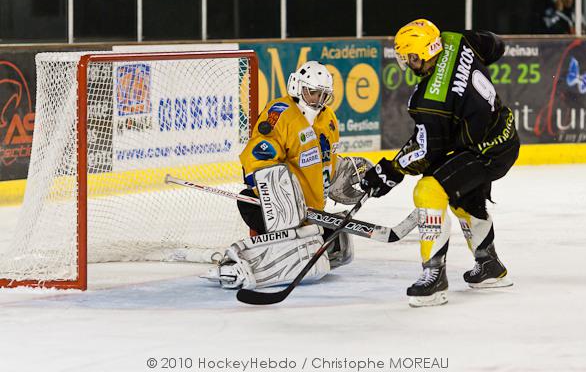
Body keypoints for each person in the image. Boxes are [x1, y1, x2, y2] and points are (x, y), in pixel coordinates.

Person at [360, 19, 520, 307]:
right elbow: (496, 45)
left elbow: (425, 152)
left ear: (421, 54)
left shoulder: (430, 99)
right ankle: (489, 266)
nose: (408, 64)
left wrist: (389, 170)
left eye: (409, 58)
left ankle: (434, 278)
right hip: (504, 137)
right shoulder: (457, 40)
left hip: (482, 152)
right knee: (460, 192)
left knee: (429, 190)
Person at [206, 61, 372, 290]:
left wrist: (340, 178)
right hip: (282, 213)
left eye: (324, 95)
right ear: (297, 86)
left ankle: (304, 237)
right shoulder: (280, 114)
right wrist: (281, 202)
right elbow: (258, 158)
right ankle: (265, 251)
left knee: (336, 240)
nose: (318, 100)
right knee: (247, 201)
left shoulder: (329, 118)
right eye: (313, 93)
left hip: (312, 214)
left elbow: (328, 162)